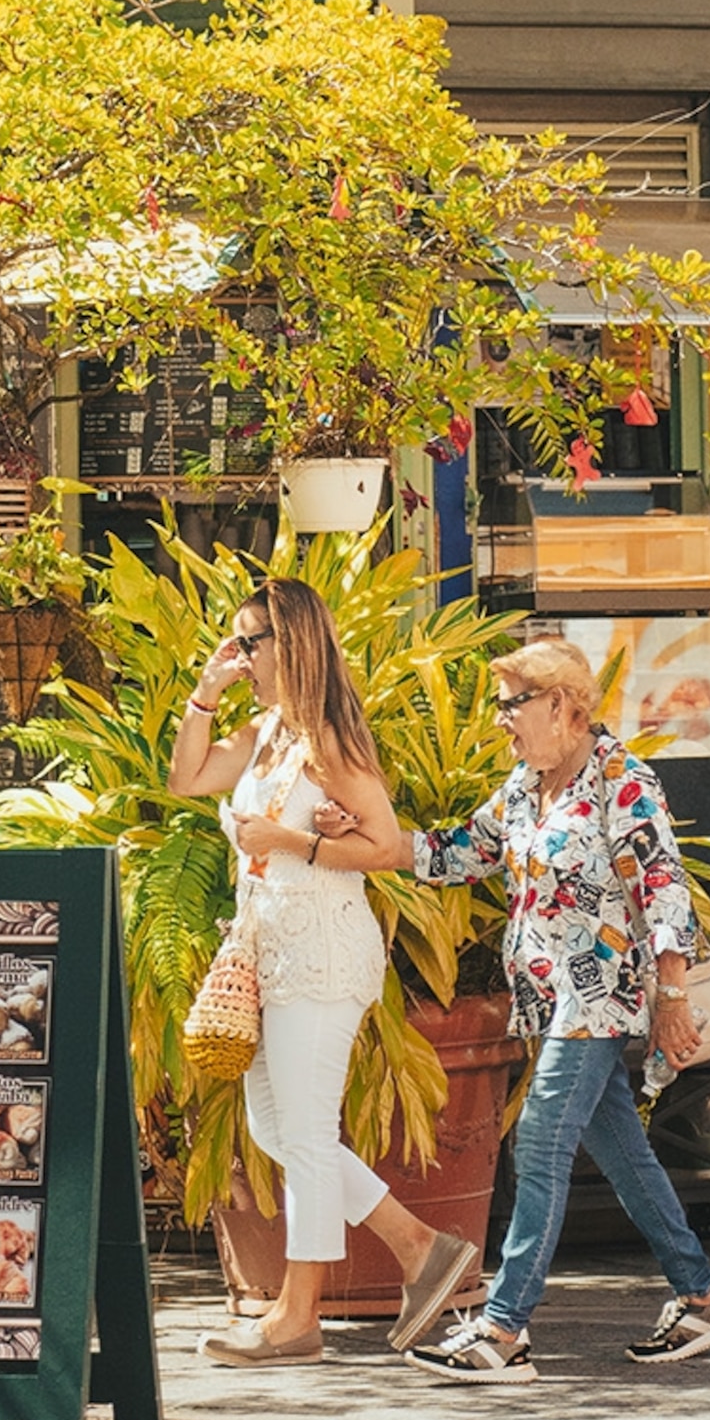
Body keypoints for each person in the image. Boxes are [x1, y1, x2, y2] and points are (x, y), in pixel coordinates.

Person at [372, 635, 710, 1383]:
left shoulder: (622, 782)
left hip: (601, 998)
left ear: (564, 706)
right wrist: (360, 839)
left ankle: (504, 1330)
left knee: (541, 1140)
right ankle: (703, 1296)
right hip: (552, 1000)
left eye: (513, 704)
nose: (501, 720)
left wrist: (671, 999)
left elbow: (664, 893)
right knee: (621, 1151)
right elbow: (456, 853)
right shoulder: (523, 787)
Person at [170, 576, 478, 1367]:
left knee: (304, 1133)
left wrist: (289, 841)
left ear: (292, 644)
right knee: (276, 1129)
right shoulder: (267, 731)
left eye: (251, 643)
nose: (242, 656)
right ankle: (418, 1246)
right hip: (271, 951)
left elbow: (384, 847)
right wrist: (205, 695)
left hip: (324, 950)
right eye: (237, 643)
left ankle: (297, 1316)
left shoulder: (328, 741)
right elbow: (186, 779)